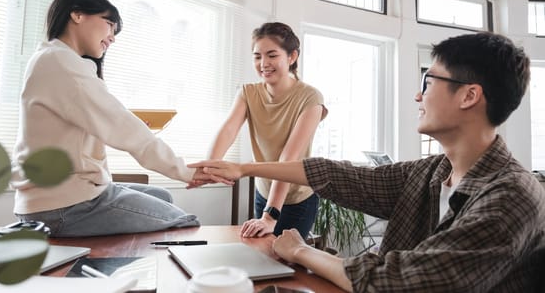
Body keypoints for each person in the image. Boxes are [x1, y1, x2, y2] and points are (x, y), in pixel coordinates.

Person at [190, 32, 545, 292]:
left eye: (428, 80)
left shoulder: (512, 195)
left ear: (469, 95)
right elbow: (340, 176)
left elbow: (403, 281)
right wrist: (244, 168)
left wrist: (300, 250)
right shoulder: (431, 172)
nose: (418, 94)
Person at [11, 0, 227, 237]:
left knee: (163, 195)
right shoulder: (60, 61)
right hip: (63, 206)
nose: (113, 36)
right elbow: (124, 127)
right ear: (77, 14)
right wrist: (186, 171)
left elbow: (106, 123)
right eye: (109, 24)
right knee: (184, 222)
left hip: (60, 196)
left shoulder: (54, 59)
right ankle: (109, 272)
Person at [206, 22, 327, 238]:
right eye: (257, 56)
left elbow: (289, 158)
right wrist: (208, 168)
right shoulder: (247, 93)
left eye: (272, 55)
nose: (263, 64)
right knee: (262, 257)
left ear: (292, 57)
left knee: (288, 263)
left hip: (297, 199)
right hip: (263, 192)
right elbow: (228, 131)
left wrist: (270, 216)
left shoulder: (311, 98)